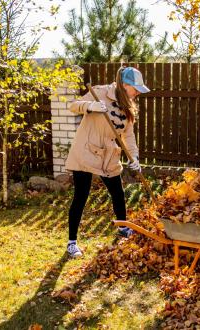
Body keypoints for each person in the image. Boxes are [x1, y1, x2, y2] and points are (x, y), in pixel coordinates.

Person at [64, 66, 150, 258]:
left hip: (109, 155)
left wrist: (134, 157)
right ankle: (72, 243)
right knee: (81, 196)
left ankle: (122, 228)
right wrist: (90, 106)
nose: (137, 93)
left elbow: (128, 135)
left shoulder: (128, 105)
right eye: (135, 88)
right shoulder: (100, 93)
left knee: (117, 193)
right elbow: (73, 106)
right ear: (124, 84)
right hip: (86, 151)